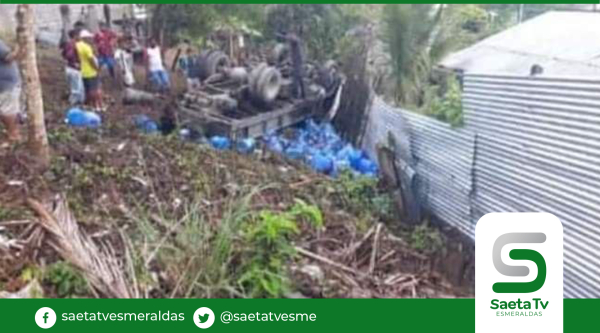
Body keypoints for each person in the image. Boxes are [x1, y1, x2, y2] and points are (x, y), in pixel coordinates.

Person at [0, 37, 23, 145]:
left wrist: (17, 48)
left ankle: (13, 134)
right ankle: (13, 134)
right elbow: (9, 57)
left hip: (6, 83)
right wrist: (19, 48)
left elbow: (8, 57)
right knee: (7, 111)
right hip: (5, 84)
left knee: (7, 111)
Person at [76, 30, 104, 112]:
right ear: (85, 38)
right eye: (89, 37)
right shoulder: (86, 47)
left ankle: (90, 105)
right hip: (90, 71)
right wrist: (96, 68)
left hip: (82, 71)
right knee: (95, 89)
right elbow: (91, 59)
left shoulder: (77, 45)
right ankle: (98, 106)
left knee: (87, 89)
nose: (90, 39)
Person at [60, 29, 84, 105]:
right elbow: (68, 55)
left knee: (76, 87)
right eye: (79, 35)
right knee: (76, 89)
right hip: (74, 69)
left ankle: (78, 103)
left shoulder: (67, 44)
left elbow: (63, 54)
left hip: (69, 68)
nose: (80, 37)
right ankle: (72, 103)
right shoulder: (73, 45)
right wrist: (75, 62)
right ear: (75, 36)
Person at [280, 32, 305, 99]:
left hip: (298, 61)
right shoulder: (293, 45)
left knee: (296, 78)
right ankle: (303, 94)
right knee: (299, 78)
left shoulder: (296, 42)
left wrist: (286, 37)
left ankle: (296, 96)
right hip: (296, 61)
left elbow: (294, 39)